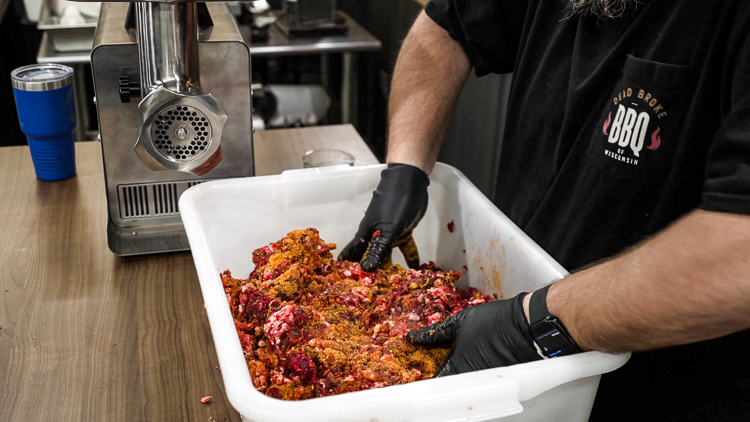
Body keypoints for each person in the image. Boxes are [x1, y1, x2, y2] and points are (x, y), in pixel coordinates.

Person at [339, 0, 750, 420]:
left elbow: (740, 256)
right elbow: (445, 31)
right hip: (516, 353)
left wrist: (533, 323)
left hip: (662, 386)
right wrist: (406, 167)